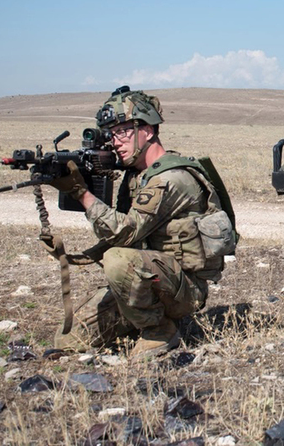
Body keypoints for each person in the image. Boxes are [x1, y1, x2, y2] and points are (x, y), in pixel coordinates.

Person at [49, 86, 235, 359]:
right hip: (151, 279)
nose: (114, 141)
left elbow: (125, 234)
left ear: (147, 131)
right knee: (69, 338)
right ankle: (142, 316)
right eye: (111, 134)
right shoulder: (138, 175)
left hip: (183, 289)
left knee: (117, 259)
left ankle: (160, 329)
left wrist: (81, 193)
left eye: (121, 132)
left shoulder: (170, 179)